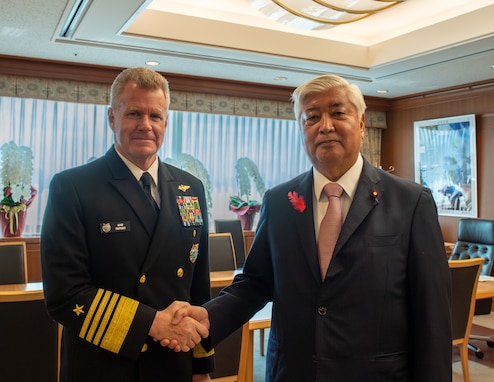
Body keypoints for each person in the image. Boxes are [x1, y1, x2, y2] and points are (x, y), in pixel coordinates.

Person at [172, 74, 452, 381]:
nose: (325, 125)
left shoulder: (410, 202)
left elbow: (432, 315)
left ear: (361, 123)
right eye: (312, 117)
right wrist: (208, 317)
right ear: (302, 129)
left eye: (338, 112)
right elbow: (255, 283)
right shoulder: (280, 201)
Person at [40, 67, 213, 382]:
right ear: (112, 118)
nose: (145, 125)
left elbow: (197, 288)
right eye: (134, 113)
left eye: (155, 116)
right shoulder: (74, 187)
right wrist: (151, 324)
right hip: (103, 366)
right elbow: (64, 295)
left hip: (172, 363)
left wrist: (201, 366)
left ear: (166, 122)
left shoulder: (191, 188)